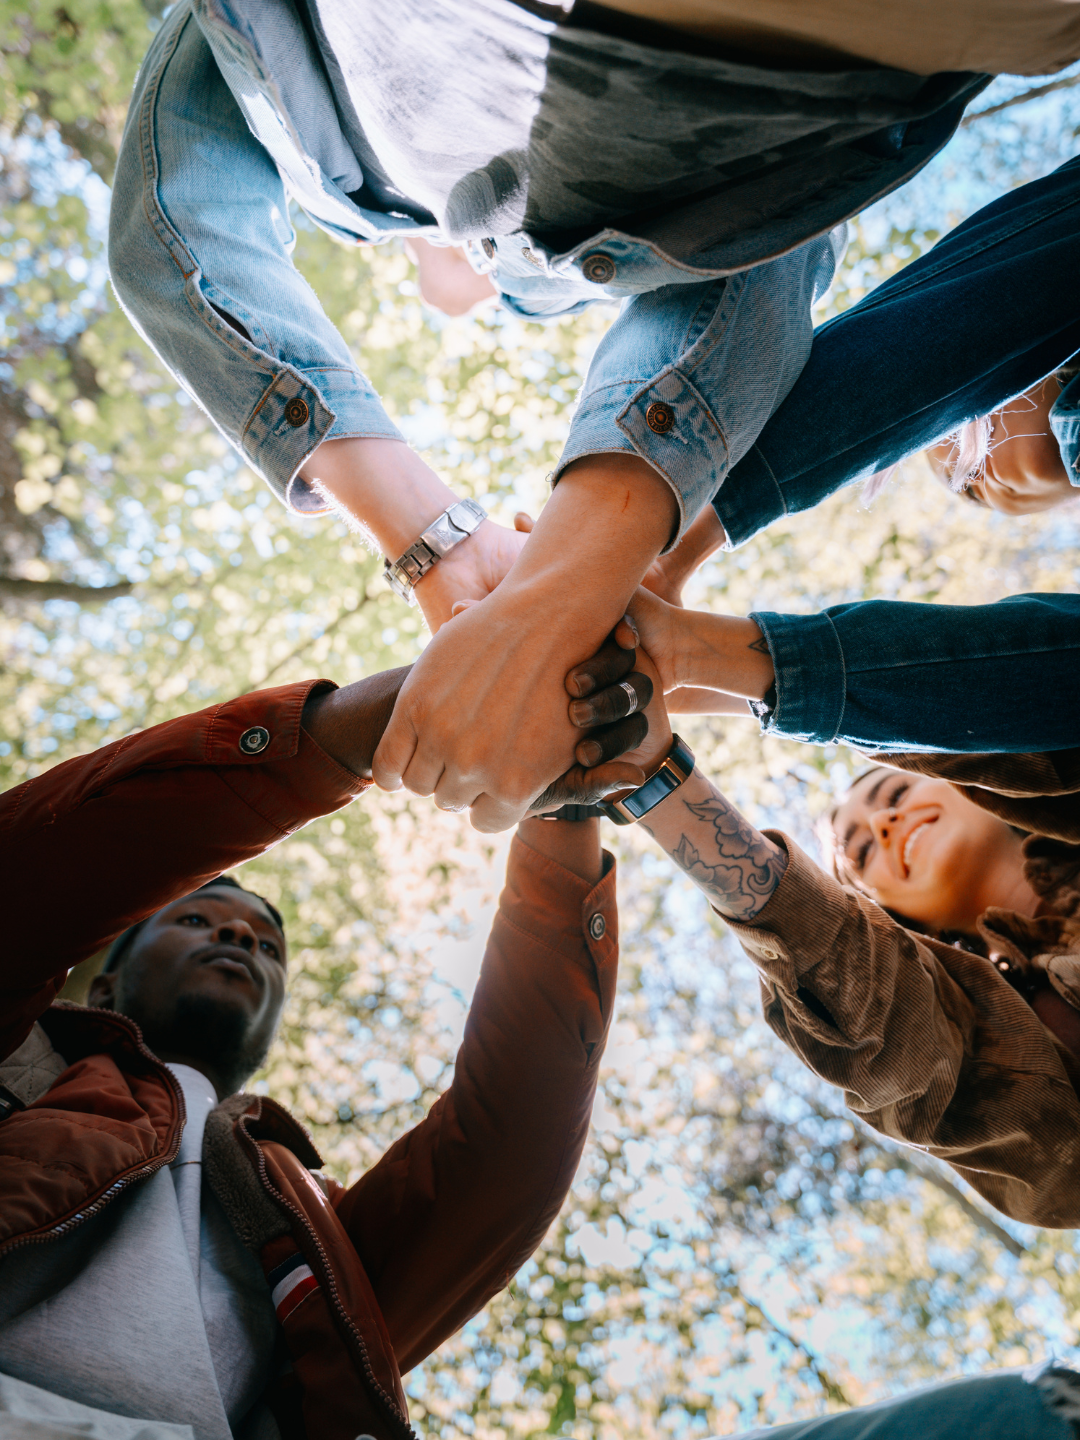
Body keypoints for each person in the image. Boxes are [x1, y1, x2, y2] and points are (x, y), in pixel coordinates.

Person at [108, 0, 1019, 831]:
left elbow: (168, 233)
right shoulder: (567, 242)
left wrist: (498, 579)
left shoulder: (340, 139)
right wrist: (507, 576)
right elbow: (763, 250)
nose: (455, 292)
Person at [0, 639, 654, 1440]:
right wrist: (393, 720)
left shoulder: (314, 1233)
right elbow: (44, 865)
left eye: (266, 946)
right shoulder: (21, 1063)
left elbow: (509, 1145)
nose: (240, 941)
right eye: (198, 920)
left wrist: (562, 811)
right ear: (101, 984)